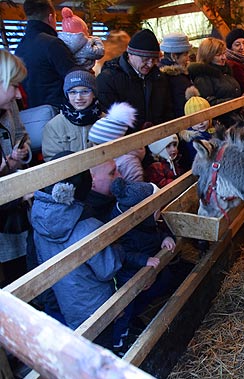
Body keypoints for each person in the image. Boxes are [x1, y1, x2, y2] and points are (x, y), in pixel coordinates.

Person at [30, 151, 123, 330]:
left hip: (69, 308)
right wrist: (118, 248)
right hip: (99, 308)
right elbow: (107, 269)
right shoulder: (89, 227)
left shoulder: (38, 224)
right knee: (105, 345)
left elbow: (42, 264)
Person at [108, 177, 174, 353]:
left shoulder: (145, 223)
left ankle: (135, 318)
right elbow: (122, 252)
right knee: (125, 307)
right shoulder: (122, 226)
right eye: (157, 209)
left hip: (146, 266)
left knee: (163, 279)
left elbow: (157, 230)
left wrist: (166, 237)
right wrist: (143, 260)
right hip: (127, 275)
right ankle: (119, 344)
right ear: (144, 212)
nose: (160, 212)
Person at [96, 29, 173, 131]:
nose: (150, 64)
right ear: (130, 54)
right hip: (127, 142)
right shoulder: (108, 80)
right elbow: (109, 121)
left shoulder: (159, 78)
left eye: (153, 59)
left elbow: (167, 112)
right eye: (145, 59)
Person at [0, 50, 32, 286]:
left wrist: (22, 152)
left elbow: (22, 134)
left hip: (13, 210)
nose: (17, 93)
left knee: (18, 268)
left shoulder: (10, 107)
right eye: (13, 85)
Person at [15, 0, 76, 109]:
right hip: (55, 113)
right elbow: (74, 78)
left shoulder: (20, 47)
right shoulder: (53, 44)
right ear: (51, 18)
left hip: (30, 115)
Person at [42, 69, 102, 161]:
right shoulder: (54, 126)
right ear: (67, 95)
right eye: (73, 92)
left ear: (94, 93)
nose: (79, 97)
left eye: (85, 92)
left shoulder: (105, 121)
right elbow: (52, 160)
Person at [188, 37, 241, 127]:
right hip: (221, 125)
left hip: (234, 120)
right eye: (219, 55)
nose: (224, 58)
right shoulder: (203, 76)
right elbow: (209, 103)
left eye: (224, 53)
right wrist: (234, 103)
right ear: (208, 56)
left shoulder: (225, 71)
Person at [88, 102, 145, 182]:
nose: (94, 148)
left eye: (98, 145)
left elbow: (135, 188)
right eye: (93, 144)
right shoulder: (100, 158)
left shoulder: (128, 163)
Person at [58, 7, 105, 72]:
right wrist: (97, 40)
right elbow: (99, 53)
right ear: (83, 31)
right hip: (85, 73)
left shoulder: (59, 42)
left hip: (67, 74)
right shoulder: (86, 44)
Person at [159, 32, 194, 118]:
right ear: (174, 56)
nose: (188, 58)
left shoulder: (178, 75)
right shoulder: (174, 79)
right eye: (185, 55)